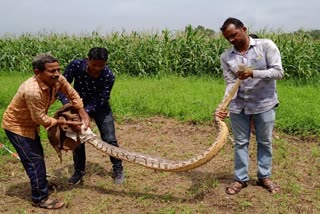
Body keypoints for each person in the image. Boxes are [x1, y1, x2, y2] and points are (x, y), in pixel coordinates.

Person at [1, 53, 90, 209]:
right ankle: (40, 198)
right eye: (51, 71)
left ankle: (40, 184)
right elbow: (41, 119)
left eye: (58, 69)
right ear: (37, 72)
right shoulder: (32, 91)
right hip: (17, 126)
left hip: (30, 125)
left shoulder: (58, 79)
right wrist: (65, 122)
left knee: (38, 157)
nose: (56, 74)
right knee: (34, 161)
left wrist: (83, 114)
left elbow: (72, 94)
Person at [215, 17, 283, 195]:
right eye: (227, 38)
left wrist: (253, 73)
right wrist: (223, 105)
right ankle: (240, 179)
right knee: (240, 143)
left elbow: (278, 72)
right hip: (239, 105)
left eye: (234, 35)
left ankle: (264, 176)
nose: (231, 40)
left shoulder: (266, 46)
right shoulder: (227, 57)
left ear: (244, 29)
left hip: (264, 103)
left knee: (265, 142)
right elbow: (230, 83)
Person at [58, 47, 125, 185]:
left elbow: (102, 98)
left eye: (101, 65)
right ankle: (79, 171)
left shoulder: (108, 75)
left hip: (100, 107)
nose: (97, 68)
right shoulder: (75, 66)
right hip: (76, 106)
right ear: (87, 60)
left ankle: (118, 169)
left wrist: (85, 112)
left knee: (110, 139)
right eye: (94, 64)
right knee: (78, 139)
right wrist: (68, 106)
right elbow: (62, 87)